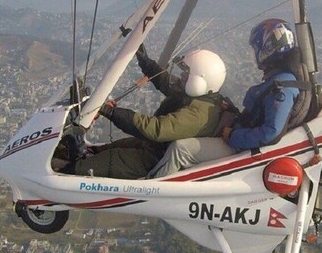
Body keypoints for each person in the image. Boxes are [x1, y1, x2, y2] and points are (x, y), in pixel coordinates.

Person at [149, 19, 301, 177]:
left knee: (180, 149)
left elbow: (271, 132)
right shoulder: (281, 80)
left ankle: (146, 193)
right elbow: (259, 115)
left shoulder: (283, 88)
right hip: (243, 136)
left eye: (257, 48)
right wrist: (232, 111)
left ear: (269, 48)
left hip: (243, 146)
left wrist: (233, 136)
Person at [70, 45, 231, 179]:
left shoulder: (200, 114)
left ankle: (67, 170)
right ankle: (80, 155)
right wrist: (143, 58)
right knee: (104, 149)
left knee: (102, 162)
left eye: (187, 73)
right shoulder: (196, 97)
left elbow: (154, 129)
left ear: (200, 80)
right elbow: (163, 80)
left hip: (155, 159)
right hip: (153, 147)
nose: (182, 76)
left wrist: (108, 110)